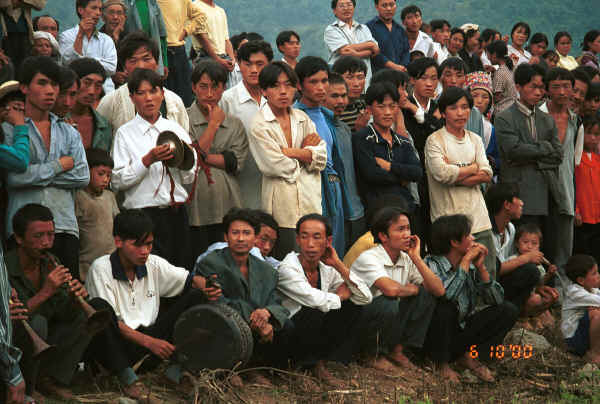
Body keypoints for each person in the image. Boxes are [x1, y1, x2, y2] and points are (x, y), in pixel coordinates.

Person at [85, 209, 217, 398]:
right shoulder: (101, 268)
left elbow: (191, 280)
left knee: (197, 297)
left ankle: (175, 372)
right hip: (119, 347)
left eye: (149, 244)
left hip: (152, 346)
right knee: (100, 308)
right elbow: (110, 322)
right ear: (118, 241)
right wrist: (150, 342)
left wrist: (209, 286)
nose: (145, 251)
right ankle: (128, 379)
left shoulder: (153, 263)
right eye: (137, 245)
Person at [7, 204, 119, 401]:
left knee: (90, 313)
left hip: (47, 338)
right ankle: (28, 386)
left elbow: (61, 314)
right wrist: (46, 291)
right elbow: (10, 318)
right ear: (18, 238)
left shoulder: (50, 261)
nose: (47, 243)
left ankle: (53, 379)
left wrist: (76, 301)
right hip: (15, 342)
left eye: (51, 235)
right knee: (37, 322)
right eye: (38, 236)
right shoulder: (5, 268)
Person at [4, 56, 89, 280]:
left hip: (63, 226)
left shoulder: (69, 132)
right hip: (22, 231)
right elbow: (14, 179)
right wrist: (58, 166)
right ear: (24, 87)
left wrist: (35, 173)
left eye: (54, 84)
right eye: (42, 83)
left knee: (67, 300)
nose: (50, 91)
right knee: (24, 298)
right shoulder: (10, 129)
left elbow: (82, 176)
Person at [111, 68, 196, 269]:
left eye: (153, 91)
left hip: (175, 211)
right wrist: (147, 161)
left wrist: (179, 161)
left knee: (179, 270)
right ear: (132, 98)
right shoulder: (125, 133)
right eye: (141, 93)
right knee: (147, 271)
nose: (148, 98)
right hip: (142, 214)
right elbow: (117, 181)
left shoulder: (175, 130)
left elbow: (189, 175)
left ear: (162, 94)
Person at [194, 208, 289, 385]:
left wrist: (267, 313)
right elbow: (219, 302)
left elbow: (276, 302)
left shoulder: (267, 271)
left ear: (254, 238)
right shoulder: (211, 263)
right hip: (225, 324)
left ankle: (254, 369)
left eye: (247, 233)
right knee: (222, 321)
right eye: (235, 233)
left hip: (255, 325)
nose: (240, 238)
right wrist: (255, 317)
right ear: (225, 237)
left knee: (285, 324)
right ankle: (228, 369)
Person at [277, 214, 371, 386]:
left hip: (312, 334)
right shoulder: (287, 268)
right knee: (315, 309)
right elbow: (315, 300)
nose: (310, 244)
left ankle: (319, 363)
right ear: (297, 239)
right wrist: (340, 296)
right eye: (304, 237)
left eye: (317, 237)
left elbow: (365, 296)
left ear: (328, 241)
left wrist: (338, 264)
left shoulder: (326, 268)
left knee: (353, 306)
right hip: (286, 335)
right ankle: (298, 367)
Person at [423, 214, 518, 383]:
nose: (473, 238)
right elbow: (447, 295)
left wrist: (481, 268)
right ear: (454, 242)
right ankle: (441, 364)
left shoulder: (471, 266)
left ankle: (469, 356)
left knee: (507, 310)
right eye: (468, 235)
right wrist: (465, 262)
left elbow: (496, 300)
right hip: (434, 338)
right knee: (446, 308)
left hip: (460, 332)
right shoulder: (431, 264)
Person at [249, 61, 327, 259]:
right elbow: (277, 166)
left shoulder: (302, 118)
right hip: (281, 209)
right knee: (286, 264)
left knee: (313, 261)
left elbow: (322, 158)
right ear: (265, 91)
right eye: (275, 86)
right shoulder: (259, 124)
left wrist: (293, 152)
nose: (283, 91)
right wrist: (306, 154)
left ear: (295, 88)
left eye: (288, 85)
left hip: (310, 201)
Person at [351, 207, 443, 372]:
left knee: (426, 294)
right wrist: (412, 290)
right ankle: (373, 355)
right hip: (361, 321)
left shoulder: (406, 258)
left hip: (389, 319)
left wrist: (416, 257)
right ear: (383, 236)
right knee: (389, 301)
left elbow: (439, 290)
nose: (407, 234)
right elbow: (390, 290)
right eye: (400, 229)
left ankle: (397, 351)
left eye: (408, 228)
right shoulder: (369, 257)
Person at [495, 63, 564, 262]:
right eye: (532, 86)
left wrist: (532, 154)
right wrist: (543, 149)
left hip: (545, 191)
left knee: (544, 246)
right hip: (519, 193)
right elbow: (513, 151)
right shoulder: (505, 118)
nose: (538, 92)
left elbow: (558, 155)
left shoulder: (546, 120)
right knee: (521, 248)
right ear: (518, 87)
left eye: (541, 88)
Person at [424, 87, 496, 278]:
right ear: (443, 111)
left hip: (479, 220)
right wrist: (472, 168)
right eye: (454, 108)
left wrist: (456, 177)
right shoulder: (435, 140)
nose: (460, 113)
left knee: (486, 277)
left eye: (465, 107)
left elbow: (487, 173)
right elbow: (442, 174)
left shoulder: (475, 139)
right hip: (449, 223)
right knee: (455, 281)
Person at [187, 60, 248, 259]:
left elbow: (235, 163)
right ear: (194, 87)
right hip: (194, 205)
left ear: (223, 88)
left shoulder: (234, 124)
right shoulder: (182, 119)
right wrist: (212, 126)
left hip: (228, 203)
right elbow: (190, 159)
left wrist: (202, 154)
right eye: (203, 87)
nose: (210, 93)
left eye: (216, 87)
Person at [295, 56, 350, 256]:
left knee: (335, 247)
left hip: (334, 187)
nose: (321, 87)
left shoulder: (328, 116)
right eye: (313, 82)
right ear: (300, 85)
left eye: (324, 81)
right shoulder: (295, 116)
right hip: (313, 188)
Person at [96, 31, 189, 135]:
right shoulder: (111, 102)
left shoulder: (174, 102)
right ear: (124, 67)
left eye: (146, 59)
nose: (141, 66)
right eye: (133, 61)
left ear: (157, 63)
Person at [353, 82, 422, 214]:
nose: (388, 112)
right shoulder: (362, 138)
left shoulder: (402, 141)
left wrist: (389, 166)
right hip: (378, 210)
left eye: (392, 106)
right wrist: (402, 178)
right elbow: (372, 174)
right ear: (369, 109)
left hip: (406, 207)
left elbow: (417, 172)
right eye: (381, 106)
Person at [220, 40, 272, 210]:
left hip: (272, 182)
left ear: (269, 65)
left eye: (260, 64)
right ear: (239, 64)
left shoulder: (275, 99)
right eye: (248, 64)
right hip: (241, 182)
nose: (254, 70)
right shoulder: (227, 100)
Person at [486, 184, 548, 318]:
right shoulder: (487, 233)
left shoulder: (510, 228)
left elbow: (513, 262)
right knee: (530, 270)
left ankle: (518, 312)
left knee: (532, 271)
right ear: (507, 205)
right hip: (489, 286)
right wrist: (527, 258)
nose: (522, 203)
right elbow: (494, 270)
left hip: (504, 282)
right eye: (518, 198)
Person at [539, 67, 578, 269]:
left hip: (566, 190)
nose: (562, 92)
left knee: (564, 244)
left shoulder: (574, 120)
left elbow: (575, 161)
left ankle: (561, 289)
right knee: (541, 240)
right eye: (556, 87)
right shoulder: (537, 115)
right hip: (540, 189)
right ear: (547, 90)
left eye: (566, 87)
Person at [324, 72, 366, 251]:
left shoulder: (343, 129)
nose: (340, 101)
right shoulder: (315, 124)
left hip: (353, 208)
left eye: (343, 96)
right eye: (334, 96)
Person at [75, 148, 119, 281]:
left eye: (108, 175)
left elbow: (118, 225)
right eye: (101, 174)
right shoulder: (78, 196)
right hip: (86, 267)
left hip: (111, 264)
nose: (105, 179)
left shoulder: (110, 196)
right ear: (86, 170)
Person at [156, 0, 208, 107]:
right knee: (163, 99)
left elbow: (201, 16)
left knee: (185, 98)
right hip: (158, 52)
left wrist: (186, 31)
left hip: (178, 51)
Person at [59, 0, 117, 94]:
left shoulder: (106, 40)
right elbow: (68, 63)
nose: (98, 13)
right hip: (77, 93)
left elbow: (111, 68)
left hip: (106, 94)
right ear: (81, 10)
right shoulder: (67, 36)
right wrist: (80, 34)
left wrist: (84, 60)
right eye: (94, 8)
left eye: (100, 9)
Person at [509, 223, 560, 329]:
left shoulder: (538, 264)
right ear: (517, 244)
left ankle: (534, 315)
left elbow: (539, 283)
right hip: (518, 298)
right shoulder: (514, 260)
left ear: (539, 247)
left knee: (552, 295)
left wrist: (549, 274)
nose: (529, 246)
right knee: (535, 299)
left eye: (534, 243)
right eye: (525, 242)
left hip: (533, 294)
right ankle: (522, 318)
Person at [195, 209, 281, 269]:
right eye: (263, 239)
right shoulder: (219, 249)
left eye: (272, 242)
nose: (267, 247)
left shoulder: (267, 262)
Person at [324, 0, 379, 87]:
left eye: (349, 5)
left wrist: (355, 53)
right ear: (334, 10)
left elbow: (375, 50)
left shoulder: (363, 28)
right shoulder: (332, 29)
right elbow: (345, 51)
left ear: (354, 7)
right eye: (342, 6)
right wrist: (369, 45)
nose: (346, 8)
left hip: (365, 81)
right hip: (342, 82)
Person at [561, 254, 600, 364]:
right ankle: (595, 354)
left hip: (585, 335)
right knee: (596, 315)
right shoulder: (575, 292)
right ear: (581, 280)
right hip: (573, 340)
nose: (598, 276)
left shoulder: (593, 290)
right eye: (594, 273)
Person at [68, 58, 112, 151]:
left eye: (98, 85)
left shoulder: (104, 126)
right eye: (87, 83)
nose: (92, 91)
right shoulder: (55, 120)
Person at [575, 116, 600, 264]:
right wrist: (576, 209)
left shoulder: (597, 159)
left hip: (597, 215)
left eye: (597, 134)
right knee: (582, 251)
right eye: (589, 133)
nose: (592, 138)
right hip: (582, 215)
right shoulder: (576, 159)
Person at [465, 71, 500, 174]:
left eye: (485, 97)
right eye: (475, 95)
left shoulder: (489, 129)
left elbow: (497, 159)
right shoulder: (456, 120)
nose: (479, 101)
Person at [122, 0, 169, 77]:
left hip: (151, 58)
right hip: (132, 60)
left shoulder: (152, 3)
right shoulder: (124, 3)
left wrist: (164, 62)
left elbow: (162, 35)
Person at [190, 0, 235, 75]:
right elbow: (201, 36)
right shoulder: (194, 7)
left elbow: (226, 40)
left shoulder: (220, 11)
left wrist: (232, 60)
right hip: (205, 58)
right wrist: (218, 60)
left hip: (224, 59)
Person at [366, 0, 410, 73]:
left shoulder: (400, 29)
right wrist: (393, 66)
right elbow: (373, 53)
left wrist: (403, 67)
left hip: (400, 76)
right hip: (379, 77)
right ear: (377, 7)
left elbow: (406, 52)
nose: (389, 9)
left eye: (391, 5)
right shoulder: (368, 28)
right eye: (384, 5)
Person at [0, 0, 45, 70]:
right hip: (4, 35)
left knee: (24, 67)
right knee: (6, 66)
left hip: (25, 34)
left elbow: (40, 4)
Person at [331, 56, 369, 131]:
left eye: (360, 77)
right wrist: (360, 130)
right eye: (350, 77)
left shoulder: (363, 106)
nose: (356, 84)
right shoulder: (333, 110)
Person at [487, 40, 517, 115]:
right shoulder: (511, 68)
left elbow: (496, 97)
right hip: (513, 109)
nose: (488, 58)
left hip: (502, 112)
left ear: (494, 55)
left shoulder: (500, 73)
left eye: (488, 54)